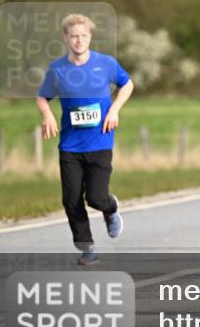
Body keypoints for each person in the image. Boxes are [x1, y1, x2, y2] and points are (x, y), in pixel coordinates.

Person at [36, 13, 134, 266]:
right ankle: (87, 247)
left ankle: (110, 209)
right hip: (70, 145)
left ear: (90, 37)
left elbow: (128, 84)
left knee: (96, 198)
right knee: (70, 199)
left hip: (100, 141)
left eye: (83, 36)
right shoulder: (58, 69)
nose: (78, 41)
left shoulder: (105, 63)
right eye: (73, 36)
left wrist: (114, 110)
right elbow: (42, 96)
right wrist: (47, 115)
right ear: (65, 38)